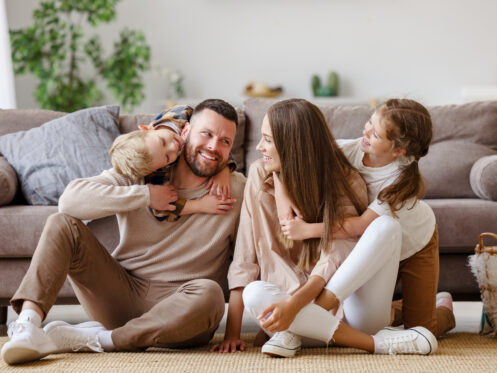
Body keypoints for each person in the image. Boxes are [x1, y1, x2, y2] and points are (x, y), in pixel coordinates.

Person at [1, 99, 246, 365]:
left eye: (225, 141)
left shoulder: (236, 189)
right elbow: (70, 201)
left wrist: (234, 331)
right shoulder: (146, 167)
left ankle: (101, 340)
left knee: (210, 293)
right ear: (185, 133)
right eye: (207, 134)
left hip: (183, 309)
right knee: (61, 224)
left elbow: (246, 259)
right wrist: (145, 196)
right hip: (123, 292)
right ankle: (27, 326)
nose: (213, 146)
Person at [211, 98, 437, 358]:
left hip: (344, 300)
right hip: (287, 313)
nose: (259, 147)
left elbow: (347, 242)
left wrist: (298, 304)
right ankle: (351, 336)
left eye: (268, 140)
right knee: (254, 293)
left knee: (386, 227)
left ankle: (380, 334)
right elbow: (244, 259)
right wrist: (232, 334)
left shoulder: (357, 180)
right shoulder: (263, 175)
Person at [283, 99, 455, 339]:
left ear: (398, 151)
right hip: (376, 246)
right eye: (369, 122)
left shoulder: (398, 182)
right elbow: (293, 164)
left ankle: (443, 308)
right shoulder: (348, 150)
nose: (365, 132)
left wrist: (307, 230)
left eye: (375, 134)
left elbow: (360, 225)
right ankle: (395, 311)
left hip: (415, 243)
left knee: (423, 330)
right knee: (371, 315)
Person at [110, 104, 235, 221]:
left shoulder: (181, 113)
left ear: (147, 128)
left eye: (163, 141)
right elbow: (163, 210)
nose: (174, 146)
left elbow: (218, 144)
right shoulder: (158, 172)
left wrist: (223, 170)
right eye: (167, 157)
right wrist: (201, 205)